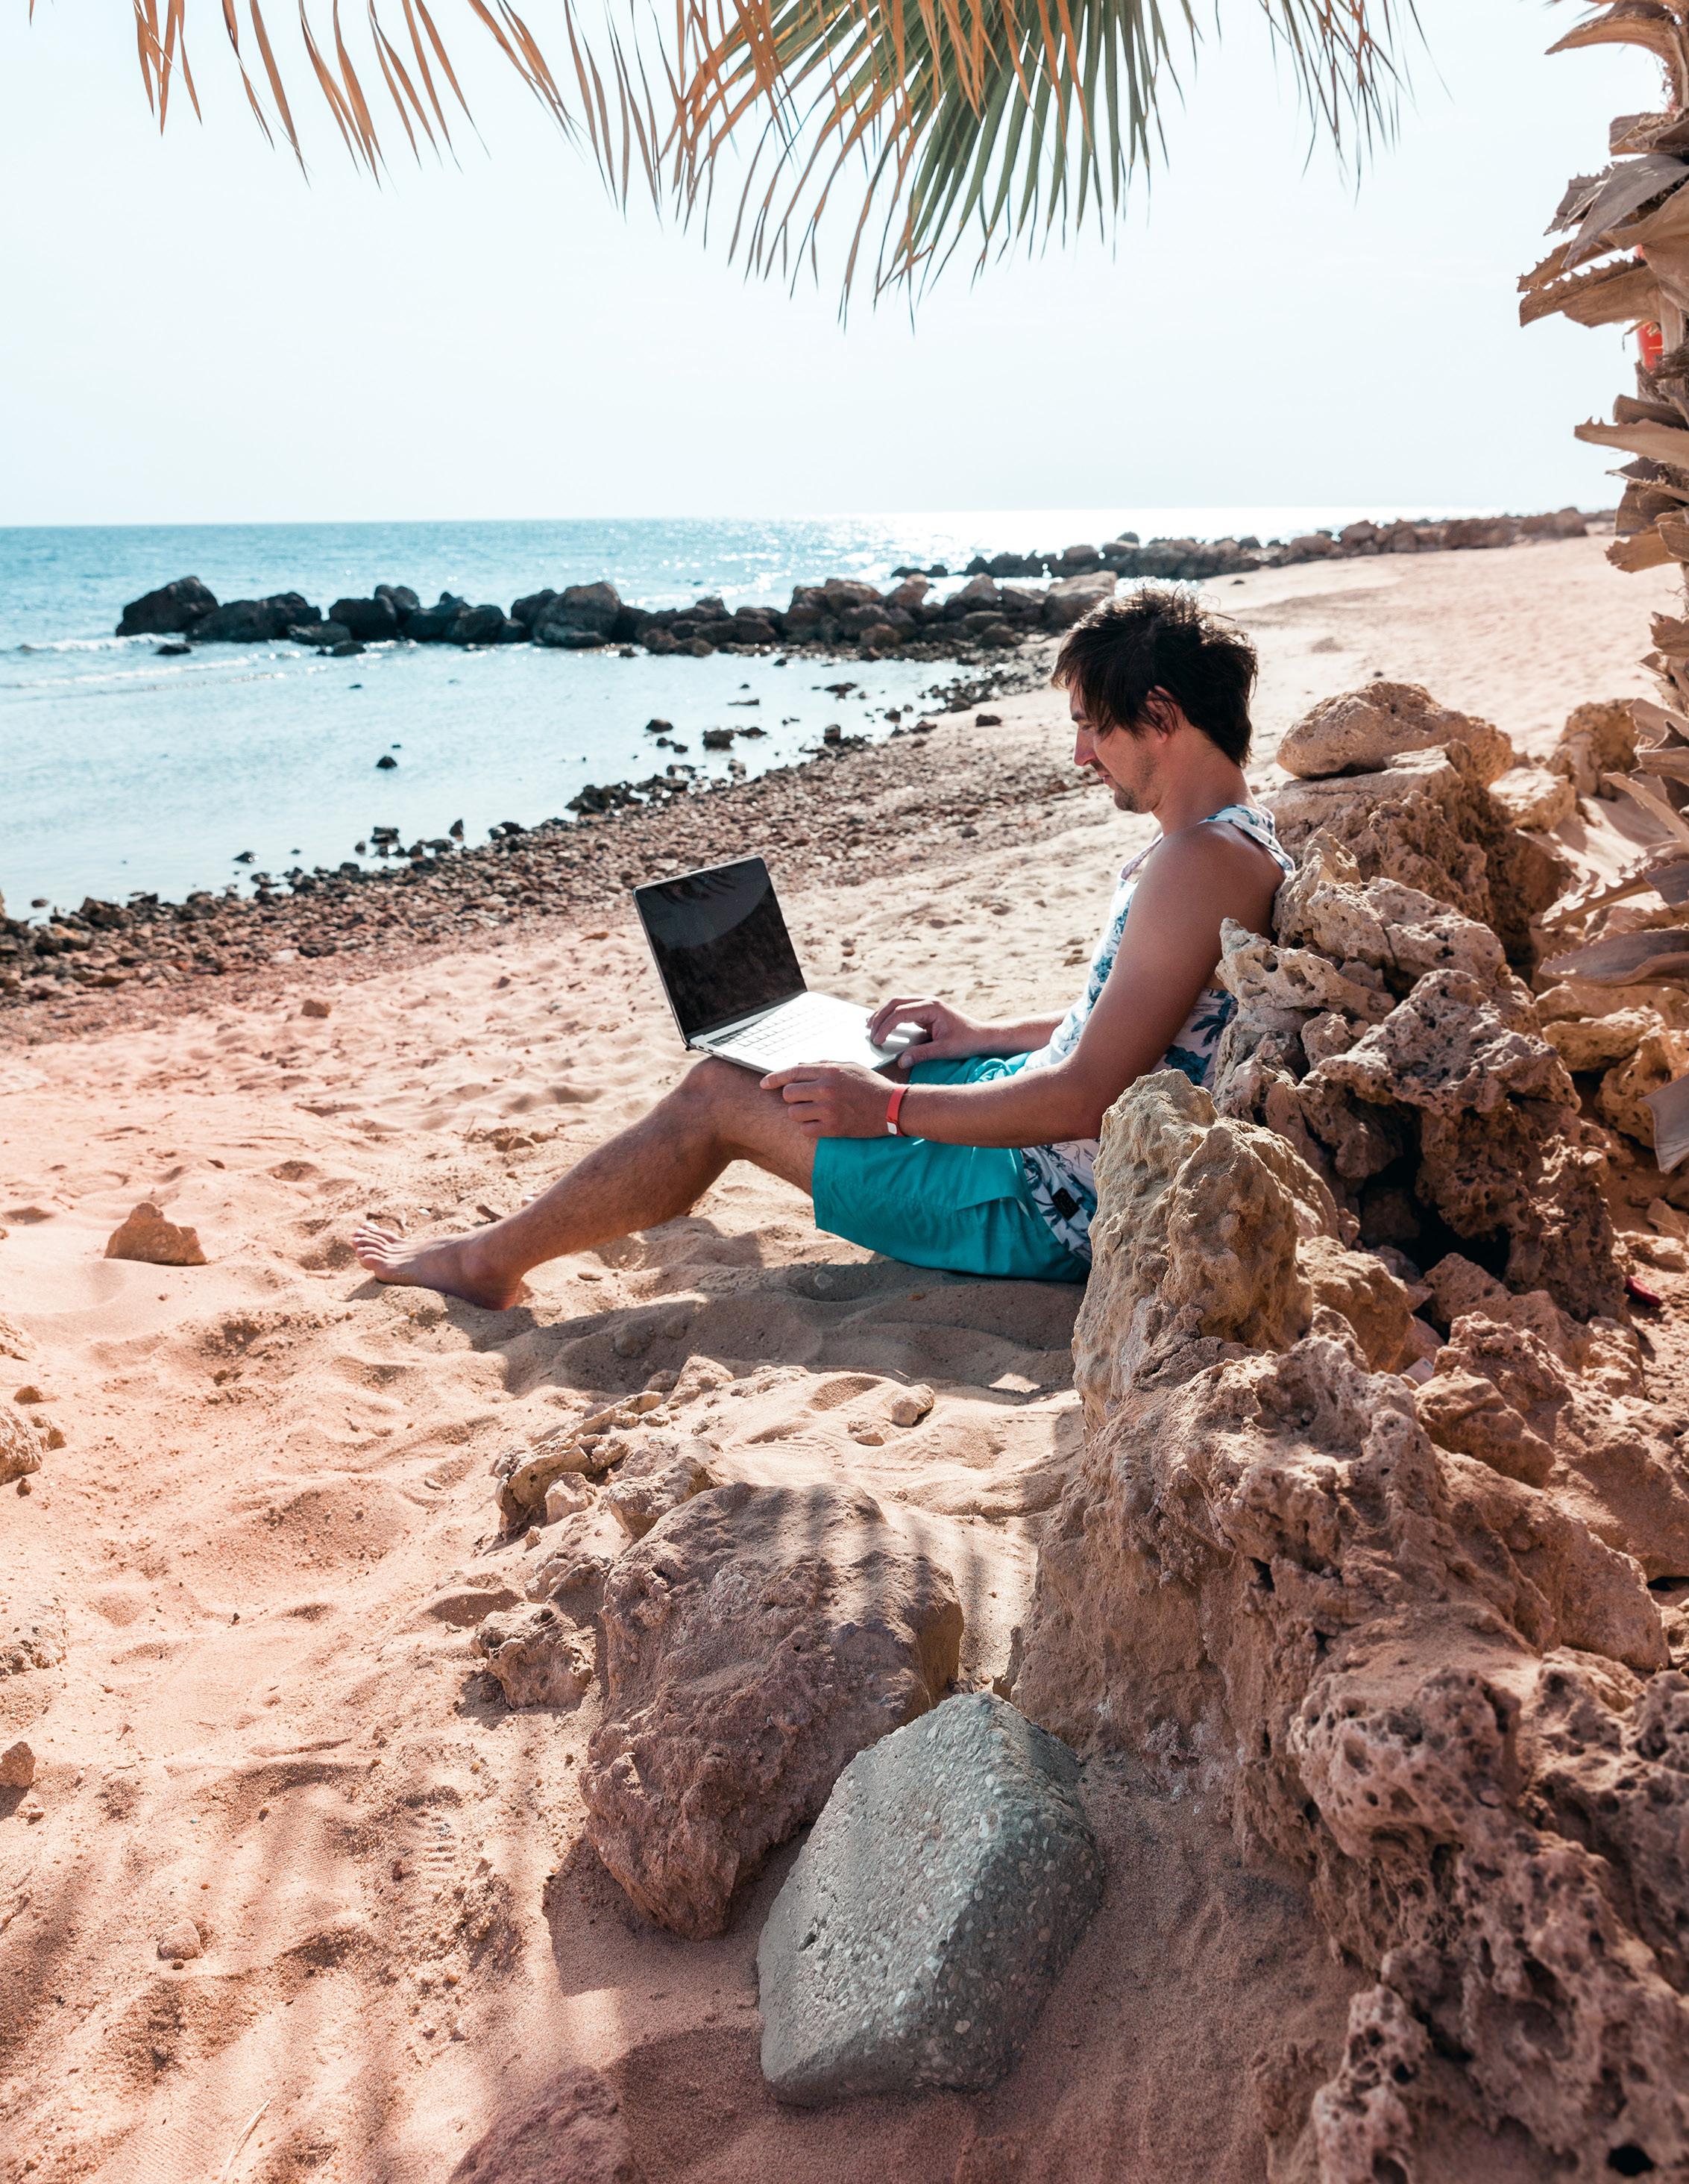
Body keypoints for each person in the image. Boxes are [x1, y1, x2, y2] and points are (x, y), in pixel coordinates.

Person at [353, 586, 1294, 1308]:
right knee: (819, 1059)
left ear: (1160, 714)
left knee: (718, 1094)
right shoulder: (1226, 842)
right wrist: (978, 1037)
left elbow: (1087, 1096)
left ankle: (483, 1264)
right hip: (1037, 1136)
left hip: (1037, 1200)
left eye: (1093, 725)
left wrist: (886, 1110)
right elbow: (1141, 1019)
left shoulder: (1196, 861)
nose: (1082, 754)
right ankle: (516, 1240)